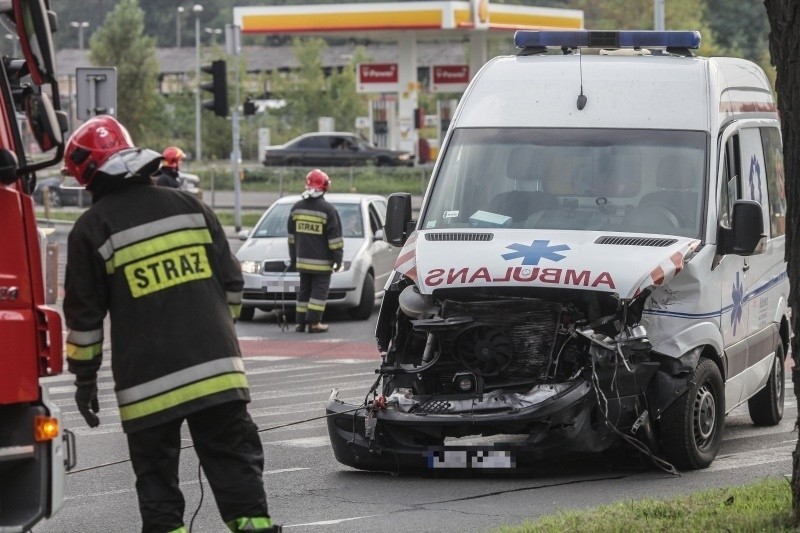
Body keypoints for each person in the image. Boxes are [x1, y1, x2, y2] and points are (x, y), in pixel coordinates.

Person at [62, 116, 279, 533]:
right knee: (238, 472)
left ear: (88, 176)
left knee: (158, 485)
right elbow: (234, 286)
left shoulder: (91, 230)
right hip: (217, 375)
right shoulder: (193, 208)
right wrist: (215, 337)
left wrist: (84, 383)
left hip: (148, 387)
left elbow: (84, 322)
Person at [288, 169, 343, 333]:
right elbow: (334, 239)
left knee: (303, 292)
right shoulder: (328, 210)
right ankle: (314, 323)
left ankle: (300, 323)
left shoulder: (296, 208)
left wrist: (293, 259)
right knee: (318, 293)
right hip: (322, 263)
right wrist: (337, 259)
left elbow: (291, 238)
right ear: (325, 186)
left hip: (302, 261)